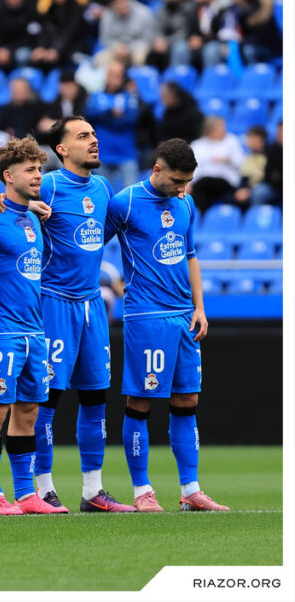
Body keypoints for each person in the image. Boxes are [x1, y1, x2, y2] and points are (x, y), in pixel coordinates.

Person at [105, 139, 228, 512]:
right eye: (177, 180)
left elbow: (191, 256)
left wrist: (200, 308)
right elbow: (91, 248)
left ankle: (190, 490)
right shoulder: (124, 202)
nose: (182, 188)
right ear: (156, 169)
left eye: (187, 181)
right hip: (146, 316)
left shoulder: (185, 203)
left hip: (184, 316)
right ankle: (142, 490)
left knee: (187, 400)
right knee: (140, 401)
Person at [29, 116, 136, 512]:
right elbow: (7, 213)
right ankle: (43, 489)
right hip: (53, 303)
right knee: (47, 399)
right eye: (82, 136)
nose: (93, 140)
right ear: (61, 149)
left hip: (92, 305)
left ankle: (93, 491)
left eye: (93, 134)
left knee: (95, 398)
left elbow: (97, 239)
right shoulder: (48, 185)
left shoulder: (103, 187)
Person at [0, 136, 60, 515]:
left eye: (40, 168)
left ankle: (25, 495)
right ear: (8, 176)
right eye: (30, 169)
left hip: (34, 333)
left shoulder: (35, 217)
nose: (38, 175)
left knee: (28, 413)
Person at [86, 60, 140, 191]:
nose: (114, 79)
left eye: (117, 75)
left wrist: (104, 118)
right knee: (104, 196)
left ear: (123, 77)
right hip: (102, 154)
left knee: (130, 196)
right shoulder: (96, 96)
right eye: (111, 74)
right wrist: (110, 113)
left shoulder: (129, 98)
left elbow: (130, 119)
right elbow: (89, 114)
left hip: (126, 155)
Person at [188, 115, 244, 212]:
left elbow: (240, 163)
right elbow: (192, 167)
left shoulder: (232, 141)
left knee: (205, 183)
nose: (223, 129)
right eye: (219, 127)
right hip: (201, 183)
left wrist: (227, 160)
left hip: (226, 180)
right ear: (210, 129)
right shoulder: (197, 145)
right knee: (198, 192)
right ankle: (200, 217)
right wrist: (188, 183)